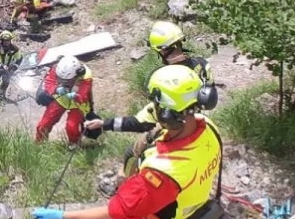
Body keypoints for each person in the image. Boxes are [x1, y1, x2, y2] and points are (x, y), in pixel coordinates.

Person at [32, 65, 223, 219]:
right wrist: (104, 124)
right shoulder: (208, 127)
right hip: (177, 212)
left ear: (168, 114)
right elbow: (141, 123)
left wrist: (61, 215)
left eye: (156, 104)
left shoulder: (163, 171)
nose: (153, 108)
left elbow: (115, 212)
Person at [87, 20, 220, 195]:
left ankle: (122, 189)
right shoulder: (202, 64)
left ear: (162, 50)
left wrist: (105, 124)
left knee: (132, 153)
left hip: (174, 126)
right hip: (197, 120)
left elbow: (140, 121)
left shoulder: (165, 80)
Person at [35, 55, 93, 145]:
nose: (62, 82)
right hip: (61, 99)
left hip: (78, 103)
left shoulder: (85, 76)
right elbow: (48, 82)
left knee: (71, 127)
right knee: (43, 126)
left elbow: (84, 95)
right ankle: (39, 145)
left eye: (66, 81)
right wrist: (56, 89)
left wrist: (76, 96)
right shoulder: (58, 68)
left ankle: (74, 144)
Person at [0, 31, 23, 104]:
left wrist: (14, 67)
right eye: (5, 41)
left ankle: (1, 95)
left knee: (6, 82)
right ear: (2, 41)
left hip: (9, 69)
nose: (7, 42)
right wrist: (2, 66)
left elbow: (19, 58)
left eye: (8, 40)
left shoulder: (15, 48)